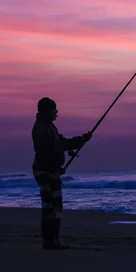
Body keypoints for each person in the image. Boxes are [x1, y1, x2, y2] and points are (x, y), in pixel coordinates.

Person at [32, 97, 92, 250]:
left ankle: (55, 240)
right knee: (49, 206)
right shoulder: (41, 128)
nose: (57, 112)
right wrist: (55, 168)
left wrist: (82, 140)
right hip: (45, 172)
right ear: (47, 111)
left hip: (51, 171)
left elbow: (62, 144)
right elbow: (45, 151)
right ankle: (49, 242)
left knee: (56, 207)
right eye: (54, 109)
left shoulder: (50, 127)